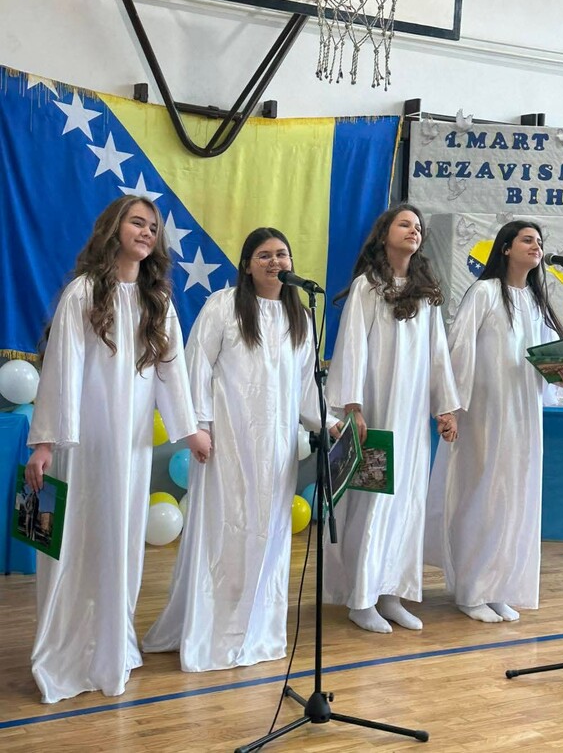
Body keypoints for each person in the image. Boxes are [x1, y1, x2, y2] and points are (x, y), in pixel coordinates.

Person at [24, 196, 210, 703]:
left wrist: (189, 430)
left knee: (121, 541)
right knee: (80, 540)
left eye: (153, 227)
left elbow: (172, 369)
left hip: (130, 447)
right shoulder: (84, 292)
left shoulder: (158, 301)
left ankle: (112, 644)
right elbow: (61, 367)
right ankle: (69, 650)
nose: (146, 232)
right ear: (114, 228)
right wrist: (44, 443)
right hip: (84, 442)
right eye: (137, 222)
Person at [143, 227, 339, 671]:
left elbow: (306, 388)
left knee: (268, 537)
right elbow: (196, 366)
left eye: (282, 254)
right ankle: (212, 630)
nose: (275, 262)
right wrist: (197, 427)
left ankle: (254, 629)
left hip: (277, 450)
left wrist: (329, 422)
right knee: (226, 532)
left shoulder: (300, 318)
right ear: (247, 264)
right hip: (227, 444)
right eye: (264, 255)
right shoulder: (224, 305)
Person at [425, 220, 563, 623]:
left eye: (539, 241)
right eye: (527, 239)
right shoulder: (484, 292)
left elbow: (545, 362)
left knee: (514, 499)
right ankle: (471, 589)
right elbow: (459, 348)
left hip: (523, 414)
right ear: (506, 248)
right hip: (484, 413)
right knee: (481, 496)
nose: (536, 246)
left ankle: (498, 587)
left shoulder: (537, 302)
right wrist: (450, 408)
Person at [323, 204, 460, 634]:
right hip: (377, 415)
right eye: (405, 224)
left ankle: (392, 595)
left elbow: (438, 353)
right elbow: (351, 347)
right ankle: (361, 598)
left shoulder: (426, 293)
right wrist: (352, 406)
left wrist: (445, 407)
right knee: (374, 502)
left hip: (413, 420)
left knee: (407, 504)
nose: (414, 231)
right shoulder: (368, 287)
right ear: (384, 234)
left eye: (418, 227)